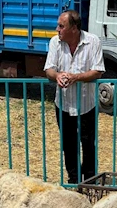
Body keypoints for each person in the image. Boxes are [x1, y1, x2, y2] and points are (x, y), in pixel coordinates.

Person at [44, 10, 105, 184]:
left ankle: (90, 182)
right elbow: (49, 69)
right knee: (68, 145)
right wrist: (57, 76)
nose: (57, 29)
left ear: (74, 28)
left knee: (88, 145)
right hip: (63, 103)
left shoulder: (93, 42)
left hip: (87, 104)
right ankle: (73, 181)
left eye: (61, 26)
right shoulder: (55, 42)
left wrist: (75, 77)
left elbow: (98, 71)